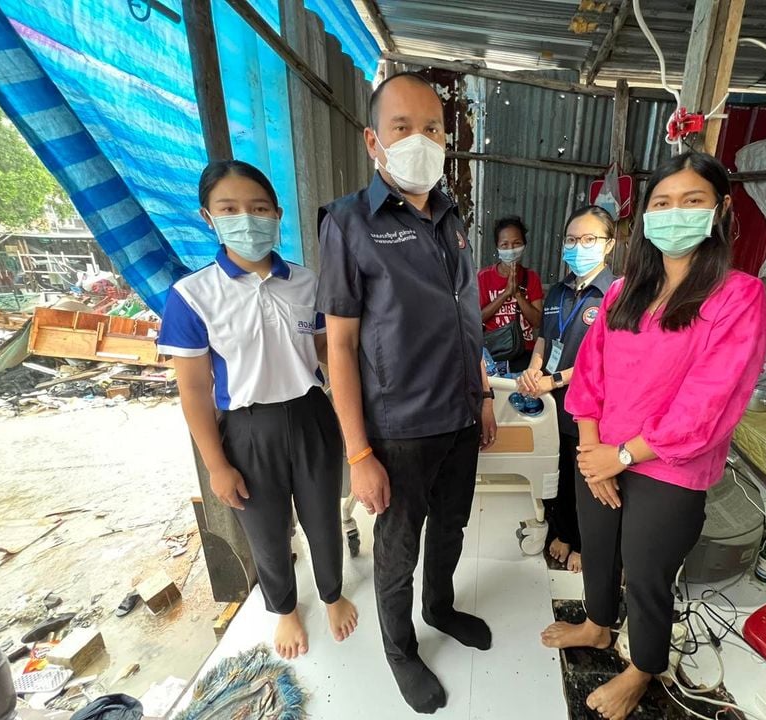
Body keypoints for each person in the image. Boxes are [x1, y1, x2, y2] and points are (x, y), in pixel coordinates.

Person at [540, 151, 766, 720]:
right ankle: (597, 625)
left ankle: (643, 667)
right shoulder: (623, 292)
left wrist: (619, 456)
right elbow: (589, 374)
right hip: (600, 450)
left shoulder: (738, 296)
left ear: (720, 210)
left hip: (668, 465)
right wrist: (591, 450)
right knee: (598, 548)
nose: (674, 214)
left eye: (692, 201)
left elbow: (707, 402)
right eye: (662, 203)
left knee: (645, 574)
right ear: (644, 216)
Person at [316, 71, 498, 715]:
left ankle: (440, 607)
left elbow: (466, 316)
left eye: (432, 129)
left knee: (452, 526)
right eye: (402, 127)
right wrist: (359, 454)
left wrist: (482, 397)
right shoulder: (348, 223)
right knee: (398, 549)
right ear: (374, 141)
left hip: (459, 417)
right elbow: (339, 348)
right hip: (398, 431)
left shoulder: (451, 217)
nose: (420, 139)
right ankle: (399, 648)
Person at [158, 160, 357, 660]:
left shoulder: (307, 283)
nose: (247, 219)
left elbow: (326, 352)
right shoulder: (193, 296)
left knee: (323, 518)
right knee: (266, 532)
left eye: (259, 208)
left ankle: (332, 595)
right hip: (247, 430)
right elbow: (195, 391)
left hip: (311, 416)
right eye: (229, 209)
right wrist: (216, 465)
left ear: (277, 214)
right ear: (208, 217)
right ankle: (285, 608)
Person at [517, 206, 618, 574]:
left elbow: (606, 360)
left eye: (589, 239)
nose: (578, 247)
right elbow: (545, 339)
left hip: (589, 409)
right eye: (572, 240)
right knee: (556, 469)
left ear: (609, 245)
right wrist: (534, 369)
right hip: (551, 403)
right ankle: (562, 531)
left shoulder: (614, 295)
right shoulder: (558, 291)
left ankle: (583, 544)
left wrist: (554, 379)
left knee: (586, 476)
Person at [478, 216, 544, 372]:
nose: (511, 249)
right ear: (497, 247)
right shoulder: (484, 277)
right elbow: (477, 318)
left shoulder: (531, 277)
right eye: (504, 244)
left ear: (524, 245)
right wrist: (506, 294)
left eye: (516, 243)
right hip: (493, 352)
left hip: (524, 352)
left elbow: (537, 322)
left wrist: (518, 294)